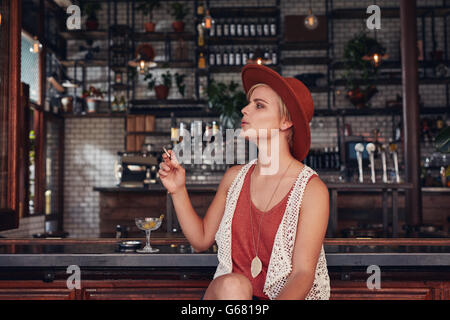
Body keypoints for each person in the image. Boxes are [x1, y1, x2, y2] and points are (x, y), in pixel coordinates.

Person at [158, 64, 330, 300]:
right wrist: (177, 190)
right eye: (249, 103)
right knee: (234, 286)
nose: (244, 109)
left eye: (258, 105)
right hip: (227, 298)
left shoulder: (311, 190)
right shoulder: (234, 178)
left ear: (285, 122)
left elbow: (302, 275)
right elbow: (201, 240)